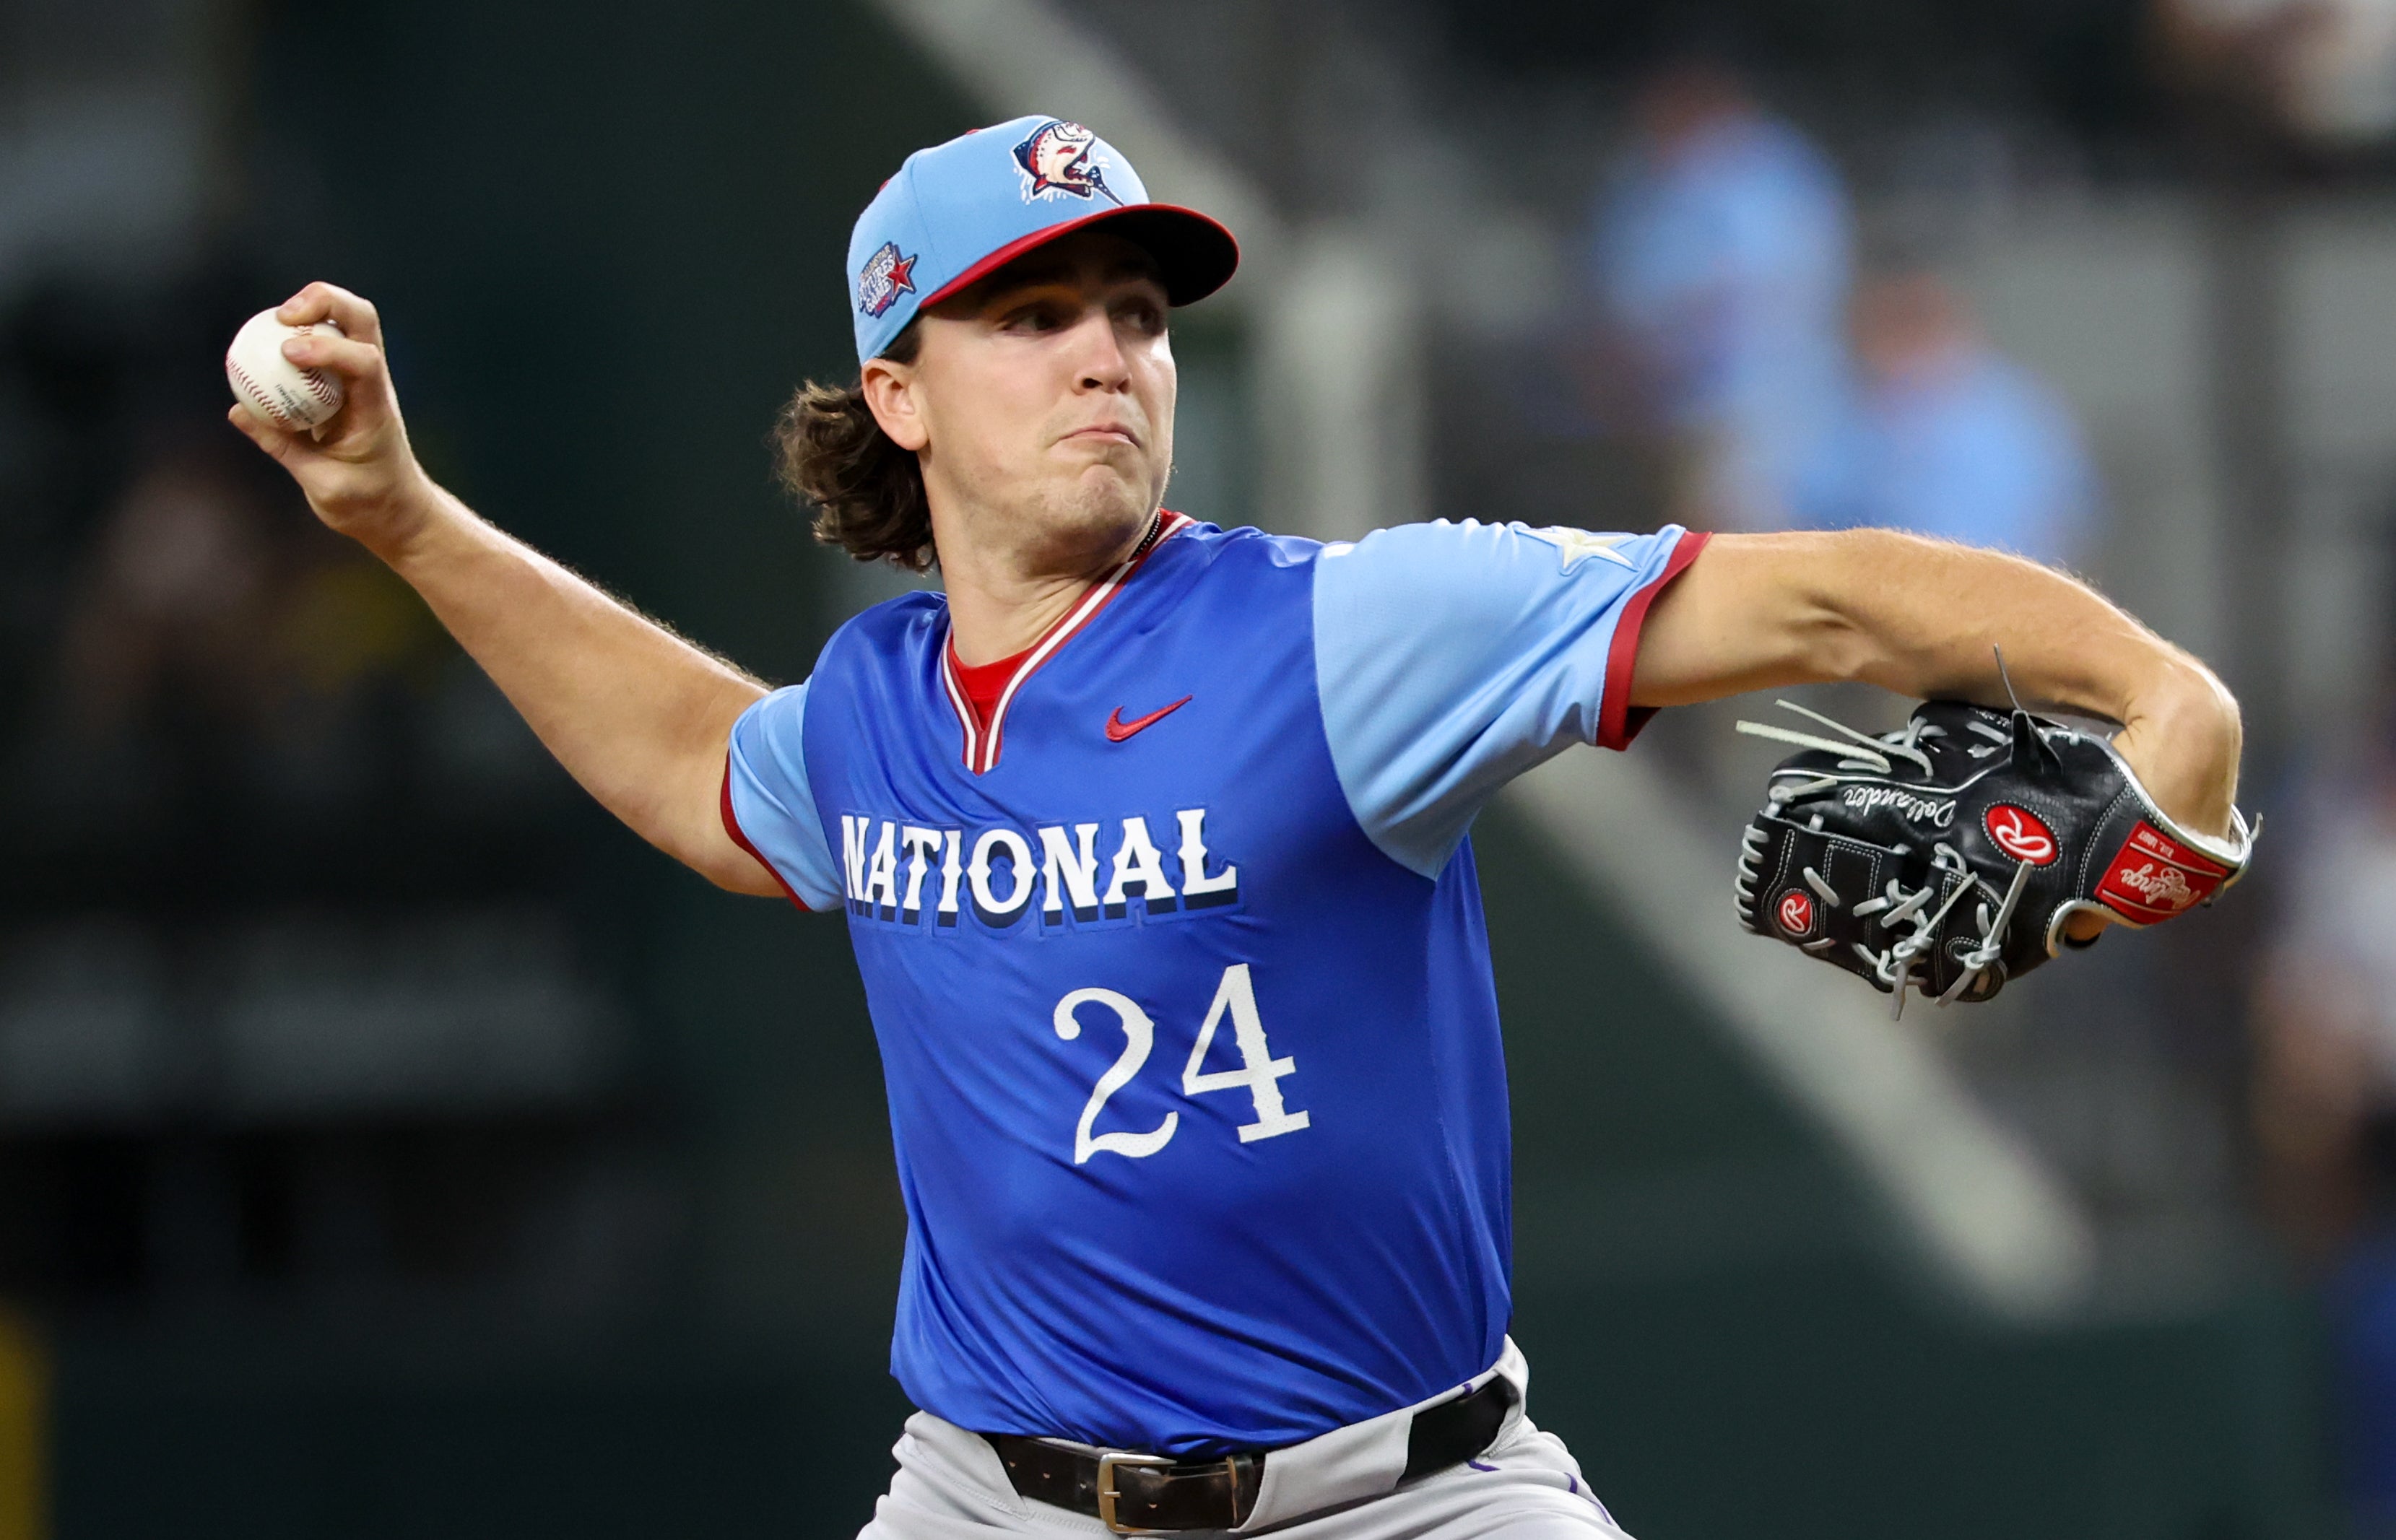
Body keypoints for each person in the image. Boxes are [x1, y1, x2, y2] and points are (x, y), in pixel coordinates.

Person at [230, 117, 2243, 1539]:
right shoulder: (870, 715)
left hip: (1416, 1496)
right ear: (899, 394)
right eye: (1030, 316)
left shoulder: (1349, 632)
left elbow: (1800, 598)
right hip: (987, 1496)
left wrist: (2166, 700)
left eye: (1135, 309)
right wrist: (403, 519)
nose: (1107, 347)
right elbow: (693, 765)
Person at [1584, 53, 1854, 531]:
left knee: (1744, 547)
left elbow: (1756, 299)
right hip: (1665, 410)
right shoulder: (1646, 178)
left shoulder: (1767, 177)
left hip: (1759, 404)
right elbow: (1620, 291)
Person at [1824, 269, 2099, 567]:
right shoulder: (1854, 415)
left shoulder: (2011, 419)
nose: (1883, 354)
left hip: (2002, 592)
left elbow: (2069, 522)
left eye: (1902, 328)